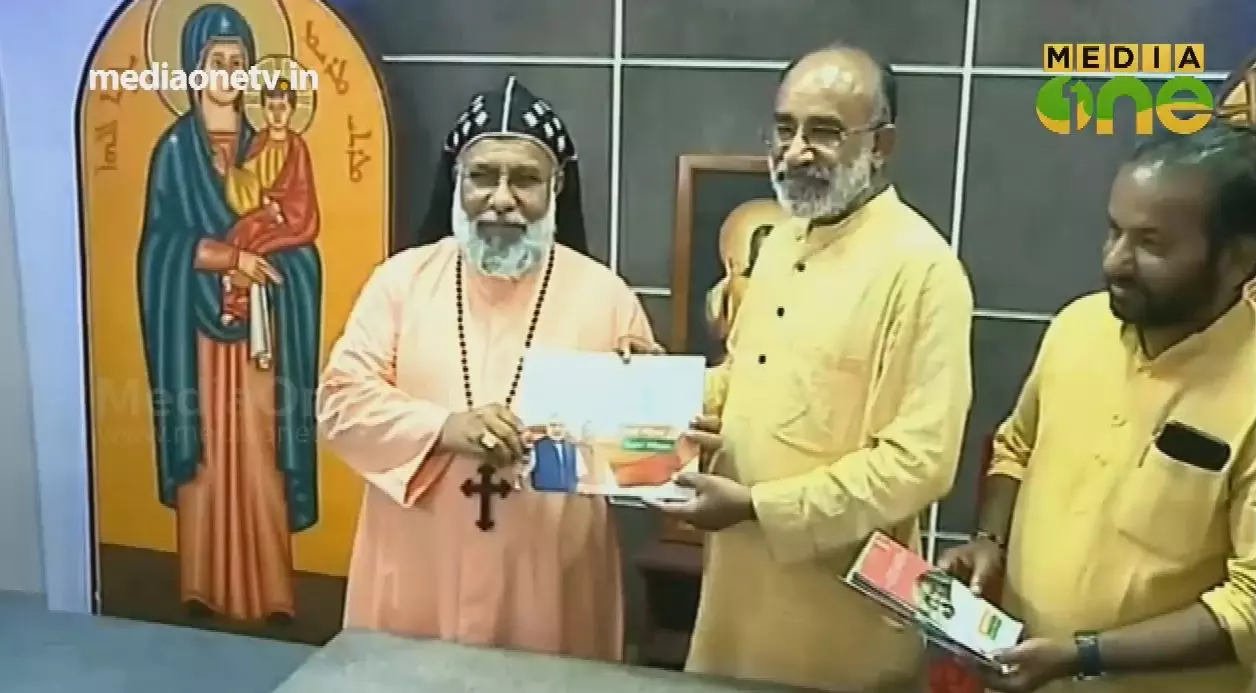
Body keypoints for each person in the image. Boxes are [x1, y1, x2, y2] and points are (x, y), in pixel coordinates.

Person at [623, 43, 974, 692]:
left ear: (882, 144)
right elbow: (746, 378)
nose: (795, 152)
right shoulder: (781, 242)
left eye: (825, 132)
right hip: (735, 601)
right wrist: (659, 389)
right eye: (785, 129)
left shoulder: (923, 270)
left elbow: (920, 462)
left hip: (840, 622)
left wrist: (760, 508)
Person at [316, 75, 654, 660]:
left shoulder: (606, 296)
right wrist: (445, 428)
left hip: (547, 579)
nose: (501, 198)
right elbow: (340, 403)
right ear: (457, 181)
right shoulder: (401, 281)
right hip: (420, 569)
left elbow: (642, 457)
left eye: (524, 179)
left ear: (556, 186)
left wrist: (648, 402)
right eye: (482, 176)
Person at [938, 123, 1256, 693]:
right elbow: (1016, 446)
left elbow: (1248, 606)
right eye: (1114, 232)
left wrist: (1081, 655)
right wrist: (991, 542)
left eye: (1151, 244)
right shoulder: (1076, 327)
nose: (1116, 261)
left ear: (1237, 260)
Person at [137, 5, 322, 624]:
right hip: (194, 334)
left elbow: (303, 237)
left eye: (238, 62)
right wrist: (229, 257)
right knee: (207, 453)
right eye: (215, 61)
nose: (227, 73)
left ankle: (273, 591)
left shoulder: (271, 146)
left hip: (260, 333)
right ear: (193, 70)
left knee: (261, 451)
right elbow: (159, 246)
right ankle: (199, 585)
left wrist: (267, 263)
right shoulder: (174, 152)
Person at [220, 76, 320, 329]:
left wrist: (279, 206)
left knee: (257, 243)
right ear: (263, 109)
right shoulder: (258, 143)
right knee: (239, 236)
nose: (276, 115)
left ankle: (240, 302)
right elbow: (248, 181)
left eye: (282, 108)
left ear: (292, 110)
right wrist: (230, 174)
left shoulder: (296, 147)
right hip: (261, 213)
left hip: (288, 220)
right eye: (271, 107)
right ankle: (235, 303)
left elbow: (302, 191)